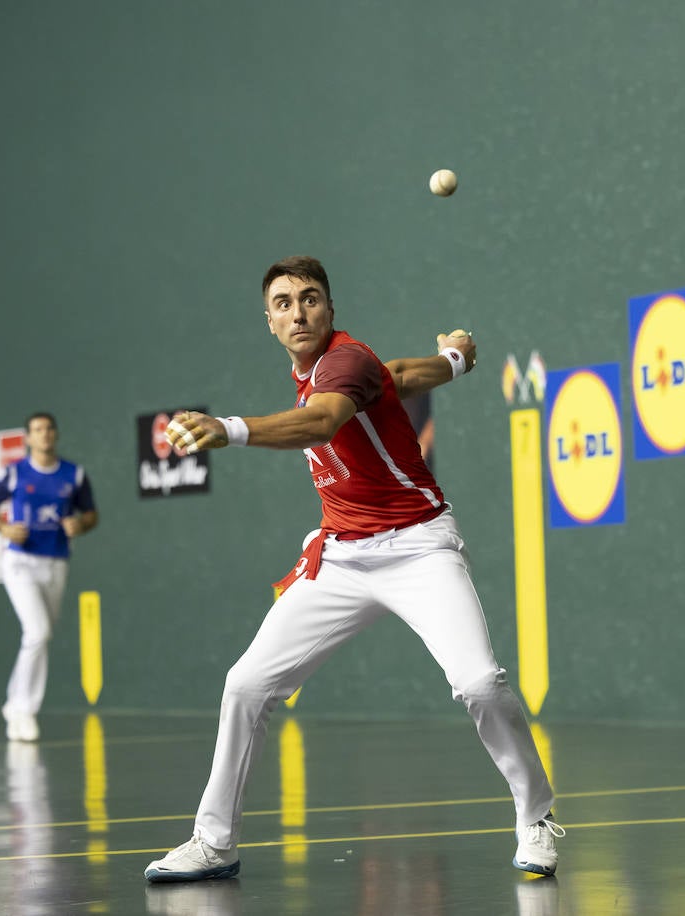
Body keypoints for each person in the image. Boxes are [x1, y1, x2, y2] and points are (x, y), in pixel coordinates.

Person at [143, 256, 562, 883]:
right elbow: (397, 374)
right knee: (246, 685)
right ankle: (214, 842)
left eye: (310, 298)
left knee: (478, 683)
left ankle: (536, 816)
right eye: (283, 303)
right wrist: (454, 360)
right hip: (341, 555)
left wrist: (228, 429)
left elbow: (323, 420)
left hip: (420, 546)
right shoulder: (337, 368)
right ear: (270, 322)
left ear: (330, 309)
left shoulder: (343, 360)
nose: (298, 311)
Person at [0, 413, 98, 742]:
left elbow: (90, 514)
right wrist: (3, 528)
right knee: (37, 631)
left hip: (56, 562)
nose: (44, 435)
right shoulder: (15, 473)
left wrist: (81, 525)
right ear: (28, 438)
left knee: (39, 638)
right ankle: (24, 710)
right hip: (19, 561)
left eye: (48, 429)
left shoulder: (73, 475)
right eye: (36, 430)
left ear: (55, 435)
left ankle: (14, 705)